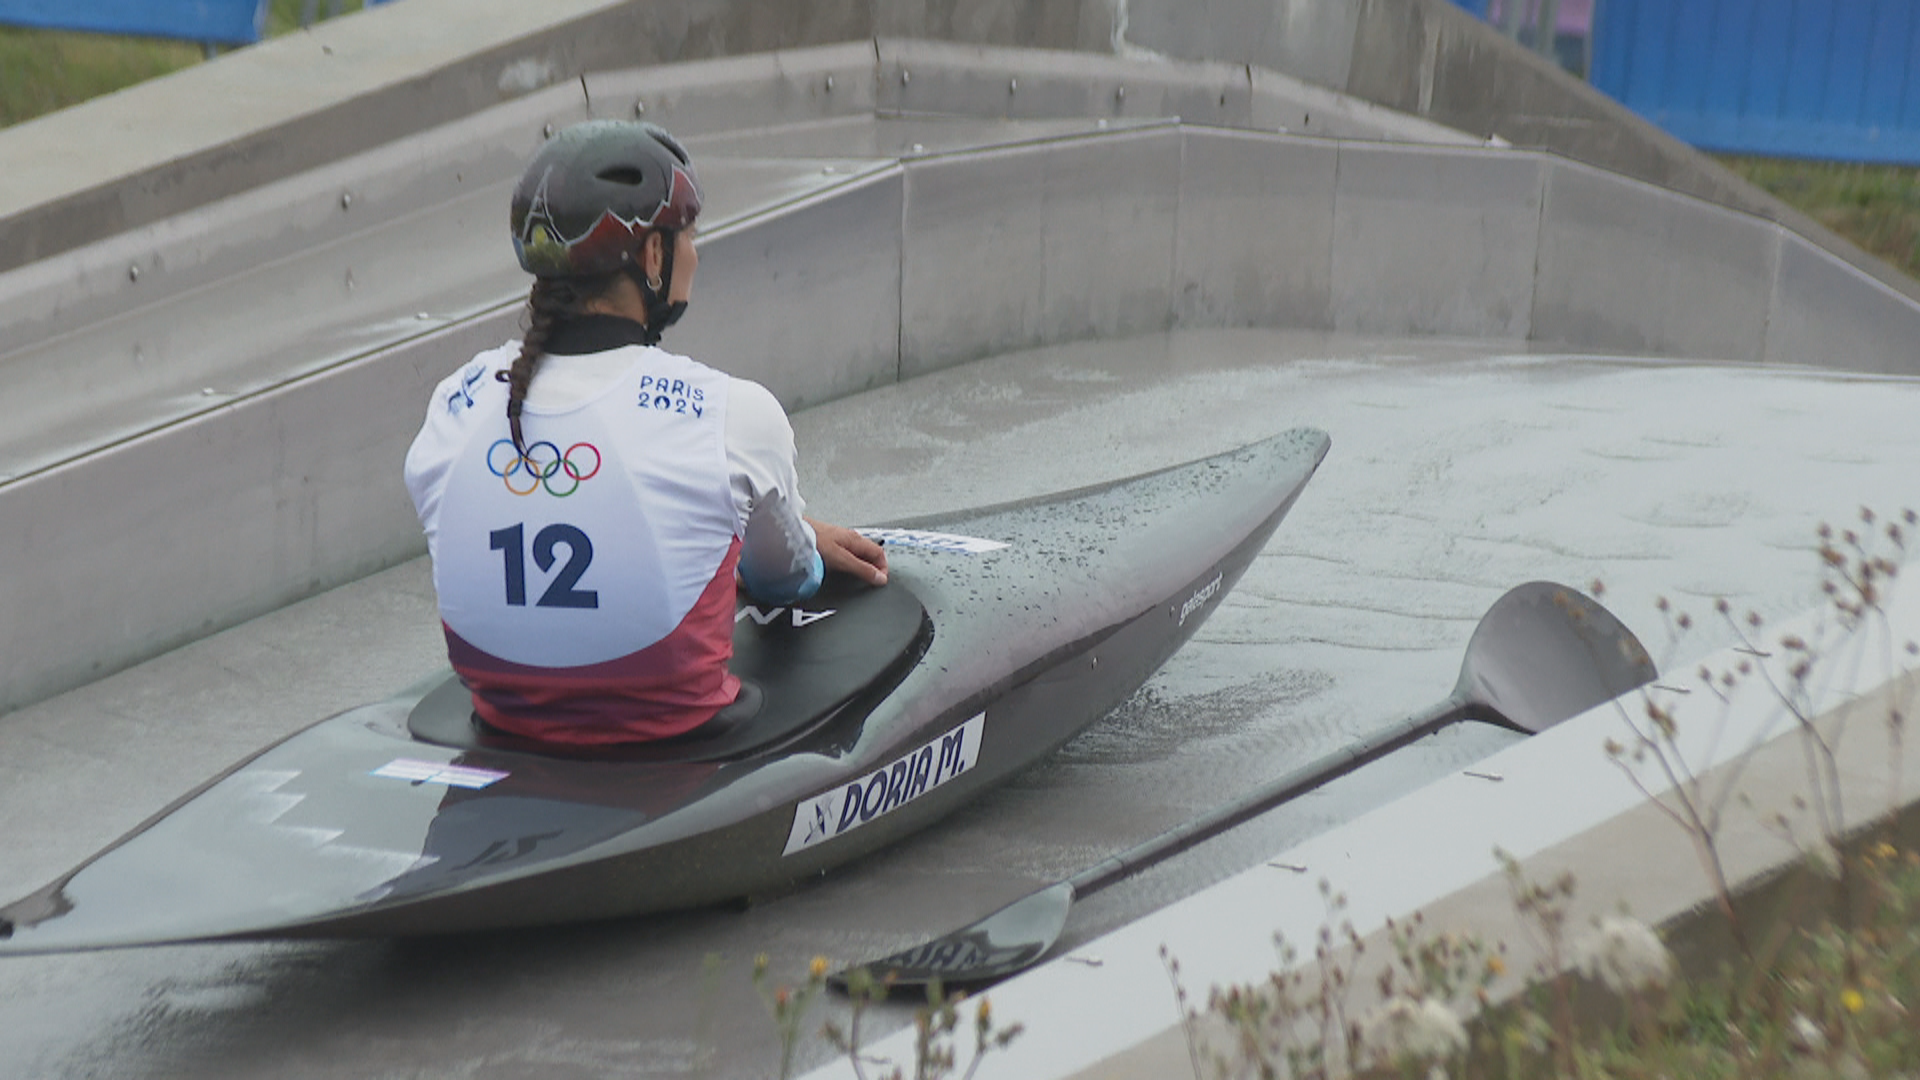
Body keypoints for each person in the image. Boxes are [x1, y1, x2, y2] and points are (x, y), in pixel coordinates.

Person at [404, 120, 887, 746]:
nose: (694, 252)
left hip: (502, 722)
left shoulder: (452, 403)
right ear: (652, 257)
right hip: (675, 737)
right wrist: (759, 541)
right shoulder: (733, 412)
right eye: (687, 235)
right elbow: (787, 581)